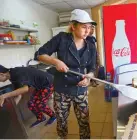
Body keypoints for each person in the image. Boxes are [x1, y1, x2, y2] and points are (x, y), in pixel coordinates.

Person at [34, 9, 97, 139]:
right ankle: (62, 137)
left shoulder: (91, 45)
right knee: (61, 120)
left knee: (84, 120)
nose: (87, 31)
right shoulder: (62, 38)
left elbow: (92, 67)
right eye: (84, 27)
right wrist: (55, 61)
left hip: (81, 89)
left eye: (89, 27)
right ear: (73, 26)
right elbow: (39, 54)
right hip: (62, 90)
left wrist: (89, 77)